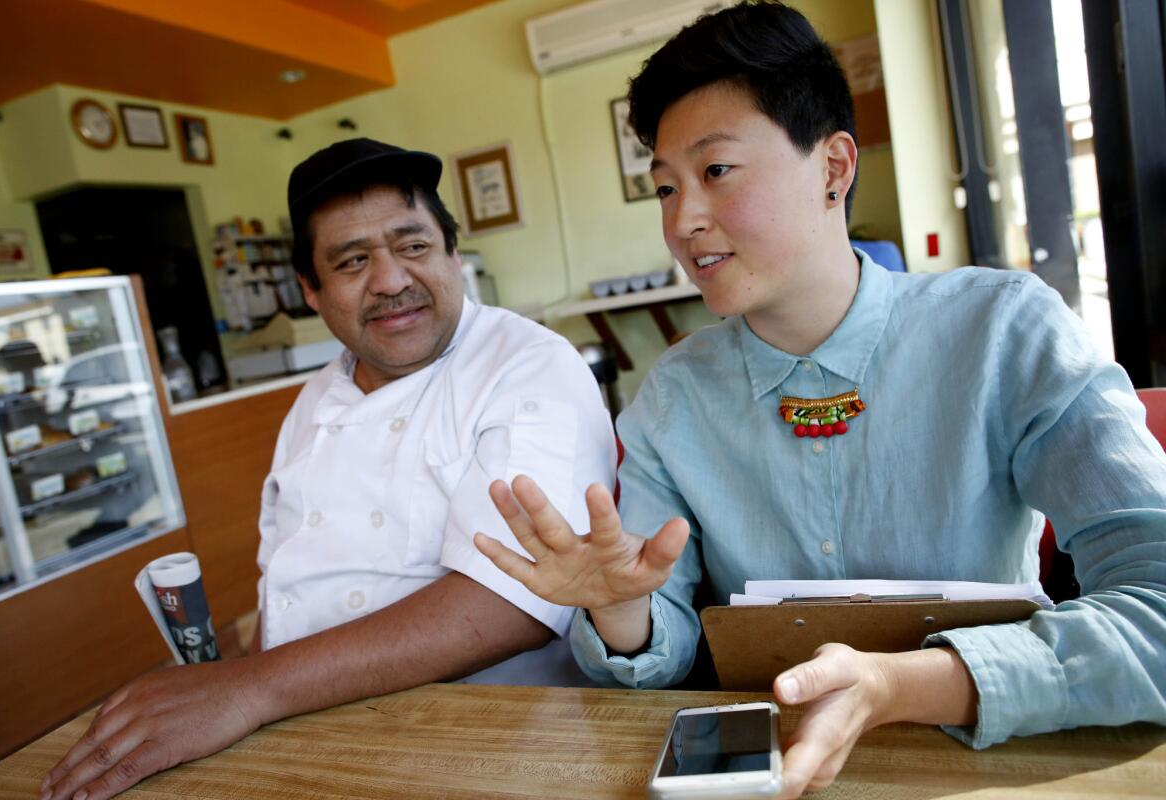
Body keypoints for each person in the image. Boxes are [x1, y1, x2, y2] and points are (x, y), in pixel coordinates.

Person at [474, 2, 1166, 798]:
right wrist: (622, 611)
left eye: (715, 171)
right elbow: (651, 655)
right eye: (664, 188)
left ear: (834, 169)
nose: (683, 220)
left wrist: (900, 685)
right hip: (774, 770)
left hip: (993, 764)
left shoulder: (1004, 331)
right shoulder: (673, 395)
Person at [41, 137, 617, 800]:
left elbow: (512, 600)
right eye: (352, 261)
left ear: (454, 256)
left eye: (414, 246)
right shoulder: (317, 397)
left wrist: (248, 689)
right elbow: (288, 577)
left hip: (492, 748)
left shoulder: (526, 366)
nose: (392, 280)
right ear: (310, 292)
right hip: (312, 731)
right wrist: (225, 681)